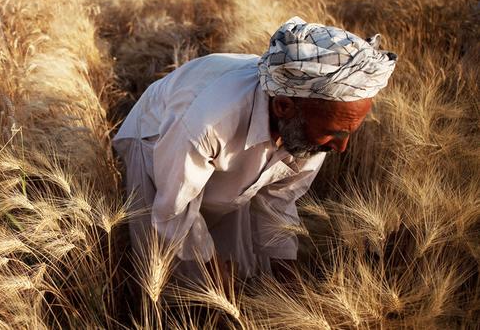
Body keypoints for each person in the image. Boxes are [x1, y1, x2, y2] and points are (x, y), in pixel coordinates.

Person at [113, 17, 397, 282]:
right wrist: (213, 276)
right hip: (156, 137)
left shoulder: (312, 127)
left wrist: (289, 284)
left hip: (218, 141)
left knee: (239, 261)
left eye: (349, 133)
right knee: (169, 262)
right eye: (334, 133)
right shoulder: (207, 122)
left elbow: (278, 202)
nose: (342, 147)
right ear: (284, 106)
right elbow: (174, 209)